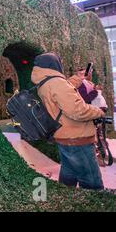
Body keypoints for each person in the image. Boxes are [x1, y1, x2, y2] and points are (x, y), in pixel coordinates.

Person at [31, 53, 105, 190]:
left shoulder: (45, 82)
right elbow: (77, 110)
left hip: (64, 136)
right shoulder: (56, 83)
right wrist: (98, 111)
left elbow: (65, 88)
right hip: (77, 138)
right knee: (91, 181)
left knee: (69, 175)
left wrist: (79, 77)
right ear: (54, 65)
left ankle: (64, 199)